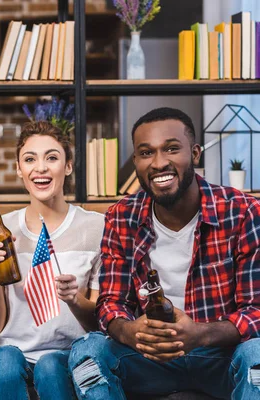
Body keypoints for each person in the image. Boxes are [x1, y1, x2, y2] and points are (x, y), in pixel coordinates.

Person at [68, 107, 260, 400]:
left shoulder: (242, 211)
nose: (159, 163)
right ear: (135, 161)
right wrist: (131, 331)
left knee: (257, 353)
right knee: (88, 352)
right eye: (146, 153)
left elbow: (256, 311)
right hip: (150, 360)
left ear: (195, 153)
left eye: (171, 149)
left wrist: (199, 334)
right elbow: (111, 304)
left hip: (220, 358)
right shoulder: (122, 216)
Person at [0, 121, 104, 400]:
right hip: (8, 353)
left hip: (66, 354)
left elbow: (99, 323)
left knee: (49, 365)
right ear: (19, 169)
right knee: (6, 359)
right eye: (30, 159)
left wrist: (74, 299)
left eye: (52, 157)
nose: (41, 168)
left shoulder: (96, 228)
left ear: (68, 166)